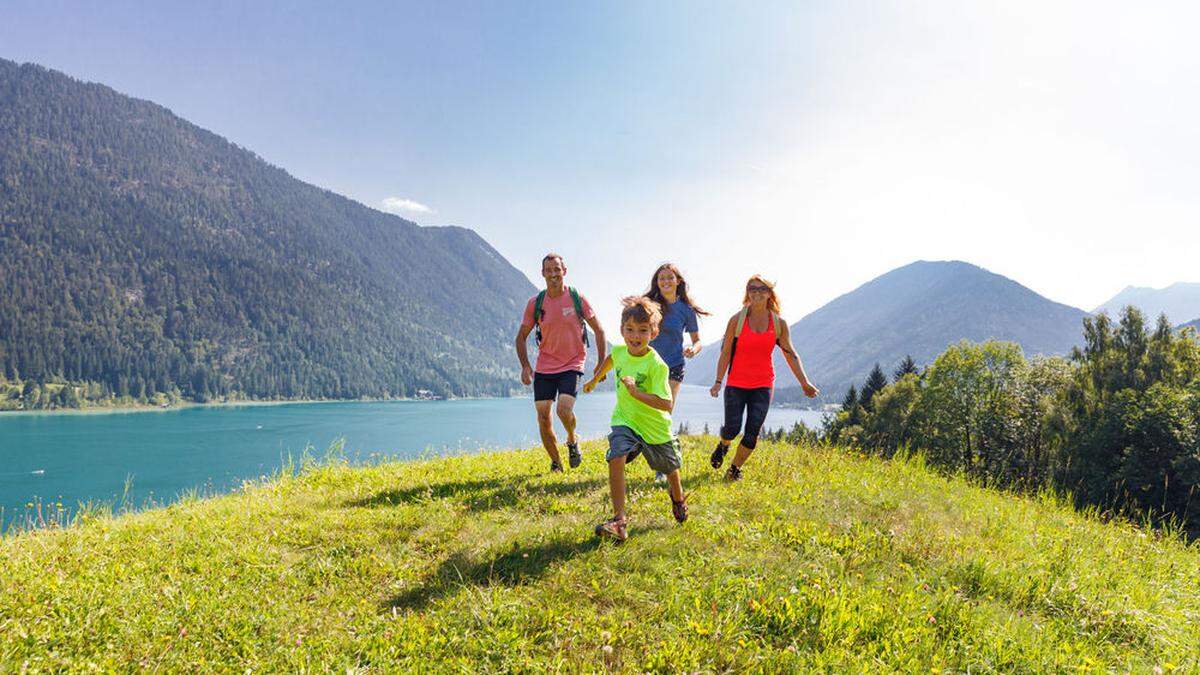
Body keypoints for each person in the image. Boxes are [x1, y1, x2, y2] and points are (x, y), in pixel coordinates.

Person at [582, 297, 687, 541]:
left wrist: (636, 393)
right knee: (615, 457)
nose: (635, 336)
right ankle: (619, 521)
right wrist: (595, 379)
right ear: (622, 330)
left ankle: (678, 497)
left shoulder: (657, 365)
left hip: (654, 427)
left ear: (654, 332)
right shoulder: (620, 351)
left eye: (642, 330)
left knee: (670, 467)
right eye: (629, 330)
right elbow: (611, 360)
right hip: (625, 421)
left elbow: (667, 403)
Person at [709, 275, 819, 481]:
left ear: (770, 293)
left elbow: (790, 353)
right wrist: (718, 381)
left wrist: (804, 382)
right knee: (732, 428)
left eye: (762, 289)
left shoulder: (778, 324)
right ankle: (723, 445)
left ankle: (734, 470)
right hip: (736, 383)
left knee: (752, 432)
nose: (757, 292)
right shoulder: (737, 320)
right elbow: (725, 352)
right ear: (747, 292)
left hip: (763, 384)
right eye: (752, 288)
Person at [515, 253, 606, 473]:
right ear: (543, 274)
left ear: (564, 271)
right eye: (549, 270)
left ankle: (572, 440)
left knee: (564, 411)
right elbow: (520, 337)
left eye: (557, 269)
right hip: (545, 366)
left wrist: (601, 363)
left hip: (573, 363)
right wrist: (526, 366)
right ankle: (556, 463)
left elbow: (599, 331)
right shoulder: (535, 304)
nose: (553, 274)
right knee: (543, 417)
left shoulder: (577, 298)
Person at [641, 262, 709, 481]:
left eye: (670, 277)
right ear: (657, 282)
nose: (666, 281)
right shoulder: (651, 305)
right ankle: (661, 448)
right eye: (662, 278)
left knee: (664, 412)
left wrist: (693, 349)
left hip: (674, 365)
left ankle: (663, 466)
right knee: (649, 414)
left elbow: (698, 341)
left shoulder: (685, 310)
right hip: (650, 364)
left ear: (678, 281)